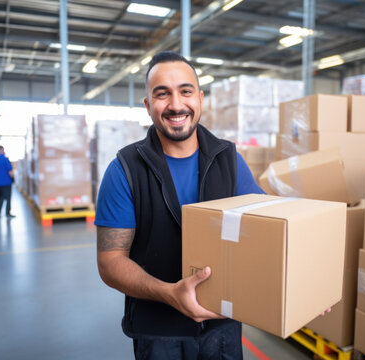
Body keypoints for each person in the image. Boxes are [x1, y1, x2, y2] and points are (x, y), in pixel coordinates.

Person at [95, 51, 265, 359]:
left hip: (221, 328)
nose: (176, 104)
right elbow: (109, 262)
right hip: (158, 333)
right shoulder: (125, 170)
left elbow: (268, 230)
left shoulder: (229, 161)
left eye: (185, 91)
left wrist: (301, 282)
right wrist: (169, 294)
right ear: (148, 106)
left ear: (200, 99)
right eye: (162, 94)